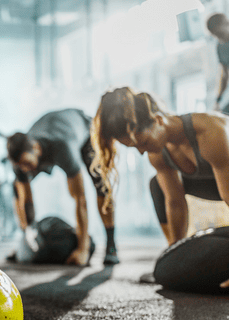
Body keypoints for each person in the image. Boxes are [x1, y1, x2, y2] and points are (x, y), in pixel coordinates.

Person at [91, 86, 229, 289]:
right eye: (134, 147)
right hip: (217, 186)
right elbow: (175, 203)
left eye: (143, 142)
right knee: (157, 185)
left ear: (158, 120)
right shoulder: (157, 153)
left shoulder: (209, 132)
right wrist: (176, 260)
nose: (140, 152)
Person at [6, 108, 119, 266]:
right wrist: (27, 240)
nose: (25, 169)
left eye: (26, 163)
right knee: (17, 186)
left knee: (101, 185)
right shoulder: (20, 160)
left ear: (37, 149)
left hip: (86, 131)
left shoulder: (62, 147)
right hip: (54, 129)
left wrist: (82, 249)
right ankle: (23, 240)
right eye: (20, 165)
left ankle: (111, 246)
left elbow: (80, 199)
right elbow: (26, 199)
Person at [206, 13, 229, 114]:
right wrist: (218, 100)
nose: (219, 38)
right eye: (216, 35)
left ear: (227, 24)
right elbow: (224, 75)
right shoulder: (220, 47)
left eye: (220, 34)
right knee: (223, 116)